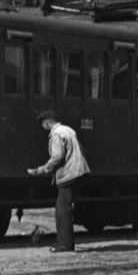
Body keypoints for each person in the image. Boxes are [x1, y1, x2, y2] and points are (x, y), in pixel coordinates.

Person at [29, 108, 89, 253]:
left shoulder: (56, 134)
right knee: (65, 208)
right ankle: (66, 243)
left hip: (68, 174)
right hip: (78, 171)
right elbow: (81, 149)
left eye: (42, 124)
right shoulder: (68, 130)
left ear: (46, 122)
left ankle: (65, 244)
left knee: (62, 210)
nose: (42, 128)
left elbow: (57, 157)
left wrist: (41, 170)